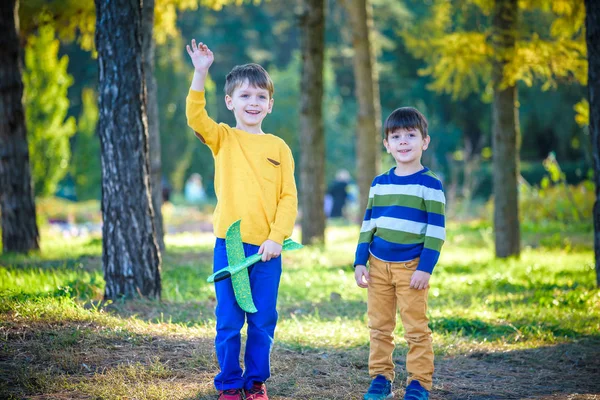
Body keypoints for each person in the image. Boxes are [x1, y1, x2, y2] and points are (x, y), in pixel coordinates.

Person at [185, 40, 298, 400]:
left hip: (267, 250)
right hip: (230, 245)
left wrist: (277, 237)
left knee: (263, 321)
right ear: (230, 102)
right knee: (230, 321)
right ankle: (231, 384)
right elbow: (195, 117)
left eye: (260, 97)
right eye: (245, 96)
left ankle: (256, 382)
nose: (253, 103)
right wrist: (201, 72)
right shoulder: (223, 137)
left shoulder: (279, 147)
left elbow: (288, 197)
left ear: (270, 104)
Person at [353, 107, 445, 400]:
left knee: (416, 328)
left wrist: (425, 268)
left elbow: (436, 231)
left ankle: (419, 382)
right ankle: (380, 378)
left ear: (424, 142)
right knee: (379, 326)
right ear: (387, 144)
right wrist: (359, 260)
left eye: (410, 135)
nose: (403, 142)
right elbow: (368, 223)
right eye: (396, 136)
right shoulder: (380, 183)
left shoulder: (430, 184)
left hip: (411, 267)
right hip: (378, 266)